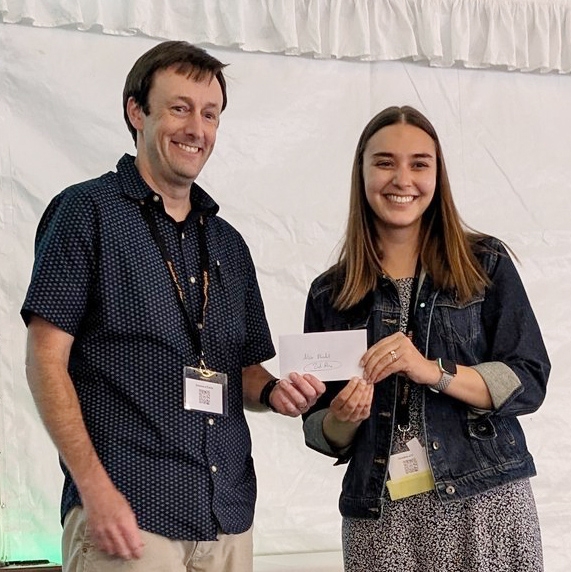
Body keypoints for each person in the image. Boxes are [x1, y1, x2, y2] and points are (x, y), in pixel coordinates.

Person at [22, 40, 324, 571]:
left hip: (226, 516)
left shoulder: (228, 243)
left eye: (210, 114)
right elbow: (45, 361)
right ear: (136, 112)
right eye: (180, 108)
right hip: (128, 516)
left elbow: (243, 371)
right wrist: (95, 491)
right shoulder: (85, 212)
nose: (197, 129)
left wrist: (275, 391)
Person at [300, 105, 550, 571]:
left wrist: (432, 372)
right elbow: (320, 432)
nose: (402, 179)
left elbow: (528, 379)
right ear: (362, 172)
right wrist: (342, 417)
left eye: (419, 163)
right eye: (384, 162)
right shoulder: (330, 293)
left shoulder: (484, 264)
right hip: (382, 516)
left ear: (438, 175)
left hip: (486, 503)